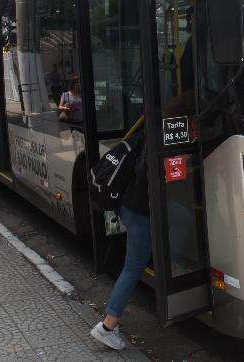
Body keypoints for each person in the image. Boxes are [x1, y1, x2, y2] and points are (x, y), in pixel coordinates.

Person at [90, 135, 151, 351]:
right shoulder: (159, 135)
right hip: (138, 212)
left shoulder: (148, 130)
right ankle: (107, 326)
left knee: (182, 217)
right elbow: (145, 174)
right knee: (132, 267)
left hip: (131, 206)